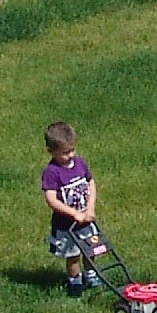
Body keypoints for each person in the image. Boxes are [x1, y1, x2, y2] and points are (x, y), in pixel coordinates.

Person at [41, 121, 102, 298]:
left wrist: (90, 208)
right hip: (66, 225)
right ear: (51, 151)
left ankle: (91, 275)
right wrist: (75, 214)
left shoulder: (79, 163)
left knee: (91, 249)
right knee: (73, 255)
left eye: (72, 150)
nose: (71, 155)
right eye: (65, 152)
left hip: (87, 219)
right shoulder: (52, 172)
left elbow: (91, 183)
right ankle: (75, 280)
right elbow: (51, 200)